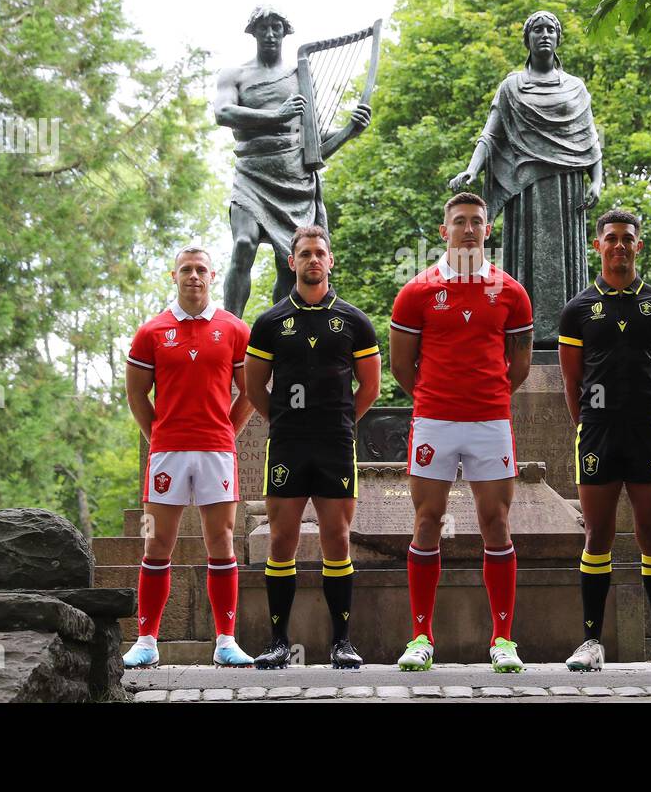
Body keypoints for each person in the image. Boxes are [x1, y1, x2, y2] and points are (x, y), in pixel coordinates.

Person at [388, 192, 533, 672]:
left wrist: (483, 396)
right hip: (434, 421)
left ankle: (504, 639)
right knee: (428, 521)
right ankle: (421, 637)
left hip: (491, 421)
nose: (468, 229)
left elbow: (520, 366)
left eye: (476, 222)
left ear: (488, 231)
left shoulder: (511, 291)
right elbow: (402, 367)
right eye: (459, 222)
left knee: (496, 524)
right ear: (443, 230)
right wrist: (439, 397)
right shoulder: (417, 291)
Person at [558, 209, 651, 673]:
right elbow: (572, 383)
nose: (619, 245)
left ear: (639, 245)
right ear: (598, 245)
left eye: (627, 238)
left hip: (648, 434)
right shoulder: (577, 309)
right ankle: (591, 642)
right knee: (597, 534)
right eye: (611, 238)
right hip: (596, 433)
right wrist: (589, 423)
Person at [243, 225, 381, 669]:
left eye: (320, 253)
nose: (313, 260)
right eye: (304, 254)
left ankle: (342, 643)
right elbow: (253, 388)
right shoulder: (268, 323)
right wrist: (285, 421)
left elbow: (371, 387)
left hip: (336, 445)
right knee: (281, 540)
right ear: (292, 262)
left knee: (336, 539)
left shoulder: (355, 321)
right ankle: (278, 642)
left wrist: (338, 421)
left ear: (330, 260)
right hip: (287, 445)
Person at [123, 245, 255, 668]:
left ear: (213, 277)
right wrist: (157, 434)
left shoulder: (234, 329)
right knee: (158, 543)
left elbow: (251, 390)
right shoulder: (152, 331)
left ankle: (225, 641)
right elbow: (136, 393)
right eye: (186, 269)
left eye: (201, 269)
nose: (193, 276)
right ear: (173, 276)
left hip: (217, 451)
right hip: (168, 453)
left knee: (221, 542)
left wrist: (227, 431)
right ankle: (146, 641)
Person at [449, 10, 602, 348]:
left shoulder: (575, 87)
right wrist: (473, 169)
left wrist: (596, 180)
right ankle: (524, 332)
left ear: (558, 38)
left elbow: (590, 141)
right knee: (526, 258)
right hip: (525, 188)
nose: (544, 34)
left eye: (551, 29)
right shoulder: (512, 86)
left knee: (564, 263)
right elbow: (489, 135)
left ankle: (568, 335)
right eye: (537, 30)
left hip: (566, 188)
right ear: (528, 39)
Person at [214, 6, 371, 317]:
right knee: (243, 243)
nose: (271, 33)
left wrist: (349, 131)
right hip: (252, 177)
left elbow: (311, 140)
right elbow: (224, 113)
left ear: (285, 32)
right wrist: (276, 115)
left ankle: (282, 330)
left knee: (289, 262)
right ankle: (230, 327)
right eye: (264, 28)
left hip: (295, 182)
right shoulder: (235, 74)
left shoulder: (299, 75)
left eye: (276, 27)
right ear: (253, 33)